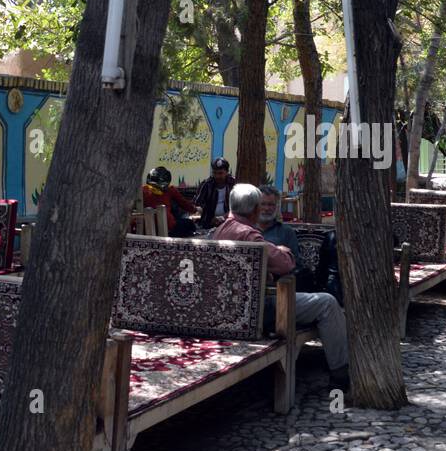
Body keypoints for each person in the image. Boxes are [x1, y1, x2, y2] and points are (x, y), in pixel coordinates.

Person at [214, 184, 349, 389]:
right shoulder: (251, 236)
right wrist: (279, 250)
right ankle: (342, 372)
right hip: (259, 309)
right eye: (262, 205)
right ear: (254, 210)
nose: (265, 209)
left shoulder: (218, 231)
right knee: (328, 303)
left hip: (225, 309)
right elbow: (286, 264)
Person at [142, 166, 198, 237]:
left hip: (146, 227)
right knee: (189, 223)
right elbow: (184, 203)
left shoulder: (142, 190)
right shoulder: (170, 190)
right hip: (169, 227)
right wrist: (195, 209)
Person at [194, 157, 236, 229]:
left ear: (227, 172)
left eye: (220, 173)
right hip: (208, 224)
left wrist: (224, 217)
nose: (217, 176)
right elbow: (197, 204)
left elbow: (238, 208)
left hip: (230, 223)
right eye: (215, 173)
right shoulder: (206, 184)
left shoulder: (234, 183)